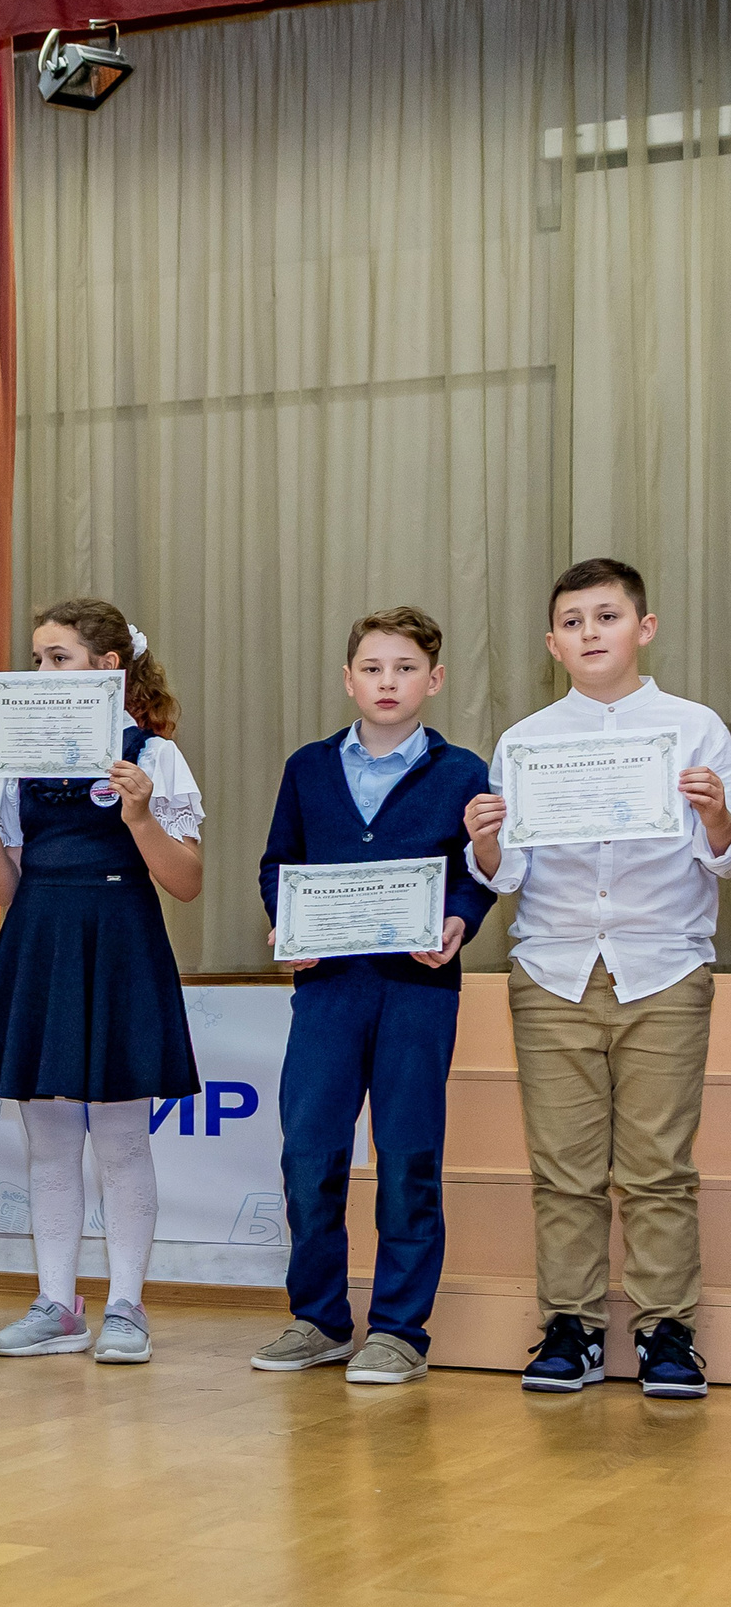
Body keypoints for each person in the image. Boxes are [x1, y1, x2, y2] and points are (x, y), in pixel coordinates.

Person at [464, 558, 731, 1398]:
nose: (590, 633)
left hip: (665, 967)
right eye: (573, 622)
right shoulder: (526, 741)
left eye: (607, 617)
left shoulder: (695, 728)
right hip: (553, 970)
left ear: (643, 628)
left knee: (658, 1168)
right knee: (564, 1169)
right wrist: (484, 840)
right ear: (552, 644)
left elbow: (723, 857)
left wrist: (717, 813)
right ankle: (570, 1327)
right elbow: (508, 875)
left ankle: (666, 1332)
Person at [251, 607, 495, 1386]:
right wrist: (288, 923)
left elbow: (479, 872)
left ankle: (398, 1329)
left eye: (405, 668)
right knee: (308, 1152)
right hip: (327, 989)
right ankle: (320, 1319)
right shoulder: (308, 767)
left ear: (435, 678)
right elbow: (278, 863)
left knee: (409, 1154)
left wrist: (459, 918)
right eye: (373, 668)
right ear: (348, 679)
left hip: (418, 990)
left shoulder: (462, 772)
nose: (388, 682)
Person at [0, 599, 204, 1366]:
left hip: (121, 938)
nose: (42, 672)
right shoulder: (18, 759)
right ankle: (57, 1304)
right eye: (36, 658)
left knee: (124, 1140)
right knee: (50, 1142)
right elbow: (6, 888)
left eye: (58, 657)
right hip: (40, 938)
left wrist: (140, 817)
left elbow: (187, 880)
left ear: (108, 667)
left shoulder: (153, 755)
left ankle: (127, 1305)